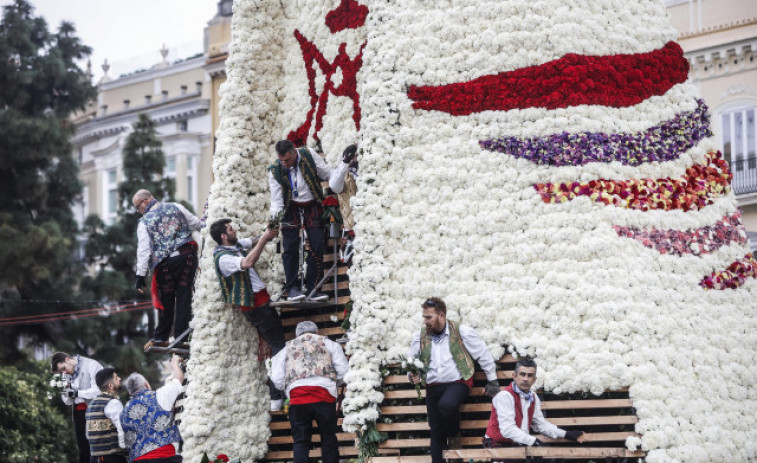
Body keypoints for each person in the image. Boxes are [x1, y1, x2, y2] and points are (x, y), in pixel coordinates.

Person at [407, 297, 500, 463]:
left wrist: (492, 381)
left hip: (458, 383)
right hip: (432, 386)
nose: (425, 321)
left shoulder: (461, 331)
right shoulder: (420, 336)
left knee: (447, 405)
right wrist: (412, 375)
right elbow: (411, 361)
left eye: (429, 317)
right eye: (424, 317)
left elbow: (483, 354)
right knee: (436, 431)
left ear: (441, 315)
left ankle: (454, 435)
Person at [209, 218, 287, 410]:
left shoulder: (234, 246)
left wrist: (267, 233)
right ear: (223, 236)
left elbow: (253, 240)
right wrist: (264, 239)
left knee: (276, 344)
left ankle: (277, 393)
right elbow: (248, 262)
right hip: (257, 306)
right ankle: (278, 391)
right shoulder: (224, 259)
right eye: (230, 229)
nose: (235, 230)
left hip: (260, 302)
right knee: (278, 345)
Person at [268, 140, 357, 301]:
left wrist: (343, 165)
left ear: (294, 152)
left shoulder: (308, 154)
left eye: (287, 160)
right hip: (290, 207)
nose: (284, 164)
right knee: (290, 248)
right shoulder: (275, 170)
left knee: (317, 244)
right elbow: (276, 201)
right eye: (281, 160)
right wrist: (274, 222)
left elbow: (328, 174)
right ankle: (292, 289)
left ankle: (314, 288)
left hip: (312, 204)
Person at [132, 189, 204, 349]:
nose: (139, 211)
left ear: (144, 201)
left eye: (138, 207)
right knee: (185, 295)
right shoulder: (176, 207)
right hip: (187, 257)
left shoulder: (144, 222)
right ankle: (181, 336)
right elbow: (196, 224)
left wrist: (140, 275)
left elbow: (143, 250)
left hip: (165, 264)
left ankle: (161, 336)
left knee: (166, 299)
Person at [270, 321, 349, 463]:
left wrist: (288, 388)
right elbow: (344, 372)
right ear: (316, 331)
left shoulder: (286, 348)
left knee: (300, 441)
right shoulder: (329, 344)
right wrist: (333, 384)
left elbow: (276, 378)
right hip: (324, 396)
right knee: (328, 437)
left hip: (297, 398)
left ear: (296, 334)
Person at [483, 357, 585, 453]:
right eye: (522, 374)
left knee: (552, 459)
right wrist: (533, 441)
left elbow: (540, 425)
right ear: (514, 376)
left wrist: (566, 434)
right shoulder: (504, 396)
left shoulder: (533, 397)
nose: (525, 379)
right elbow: (508, 430)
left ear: (534, 379)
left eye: (529, 375)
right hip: (496, 445)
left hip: (518, 446)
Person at [121, 355, 184, 463]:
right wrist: (174, 364)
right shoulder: (159, 395)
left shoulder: (123, 412)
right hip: (165, 457)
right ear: (146, 384)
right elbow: (178, 378)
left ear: (130, 391)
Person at [52, 352, 105, 463]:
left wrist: (76, 393)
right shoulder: (65, 375)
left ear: (67, 360)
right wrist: (65, 390)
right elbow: (67, 401)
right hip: (78, 413)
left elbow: (98, 391)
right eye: (61, 371)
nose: (64, 372)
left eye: (63, 368)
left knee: (98, 449)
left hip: (96, 412)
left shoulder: (91, 365)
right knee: (83, 450)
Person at [86, 368, 128, 463]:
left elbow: (88, 434)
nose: (120, 379)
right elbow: (122, 427)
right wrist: (124, 447)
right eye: (116, 378)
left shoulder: (91, 405)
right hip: (112, 457)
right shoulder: (113, 403)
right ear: (110, 385)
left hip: (95, 457)